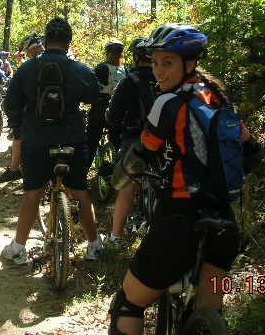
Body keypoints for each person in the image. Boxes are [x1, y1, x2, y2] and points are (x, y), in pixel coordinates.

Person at [107, 23, 261, 335]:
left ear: (189, 64)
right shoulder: (220, 101)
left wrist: (119, 178)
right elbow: (252, 152)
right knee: (208, 311)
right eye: (155, 63)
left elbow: (142, 154)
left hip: (179, 220)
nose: (159, 72)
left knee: (127, 303)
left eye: (168, 63)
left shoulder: (168, 102)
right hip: (225, 226)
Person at [1, 17, 103, 264]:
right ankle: (94, 245)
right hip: (72, 138)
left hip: (35, 139)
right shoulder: (80, 69)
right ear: (69, 43)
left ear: (45, 41)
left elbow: (10, 103)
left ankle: (18, 248)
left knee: (32, 193)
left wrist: (19, 127)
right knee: (80, 191)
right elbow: (97, 98)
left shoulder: (27, 68)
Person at [105, 38, 157, 248]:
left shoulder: (130, 79)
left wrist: (110, 120)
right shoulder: (165, 76)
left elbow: (114, 115)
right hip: (164, 138)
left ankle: (115, 237)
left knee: (127, 185)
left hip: (136, 139)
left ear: (136, 57)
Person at [0, 33, 45, 183]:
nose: (26, 53)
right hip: (64, 114)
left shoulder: (29, 66)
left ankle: (14, 170)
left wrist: (13, 117)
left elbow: (13, 97)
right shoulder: (65, 60)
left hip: (33, 113)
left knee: (18, 136)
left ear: (33, 47)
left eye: (27, 49)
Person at [84, 40, 127, 170]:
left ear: (107, 53)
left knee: (90, 142)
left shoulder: (101, 68)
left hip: (100, 109)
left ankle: (82, 174)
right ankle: (118, 172)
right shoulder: (126, 70)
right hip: (118, 111)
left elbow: (92, 89)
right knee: (117, 143)